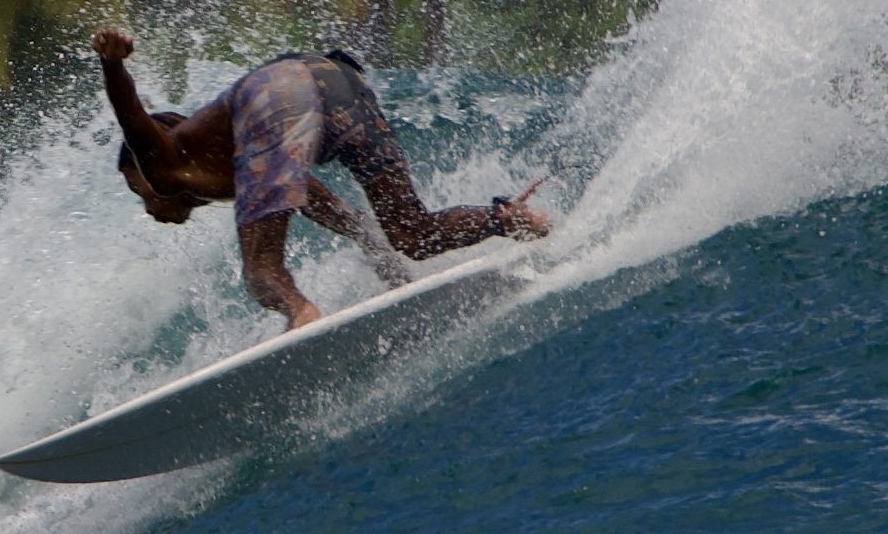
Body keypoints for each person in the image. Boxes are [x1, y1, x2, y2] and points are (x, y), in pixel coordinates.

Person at [93, 30, 549, 329]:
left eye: (139, 192)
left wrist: (113, 64)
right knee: (411, 233)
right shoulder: (260, 165)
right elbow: (355, 225)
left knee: (260, 268)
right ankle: (510, 219)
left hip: (276, 89)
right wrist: (399, 281)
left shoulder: (167, 167)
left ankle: (301, 314)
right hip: (338, 80)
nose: (150, 208)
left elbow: (131, 118)